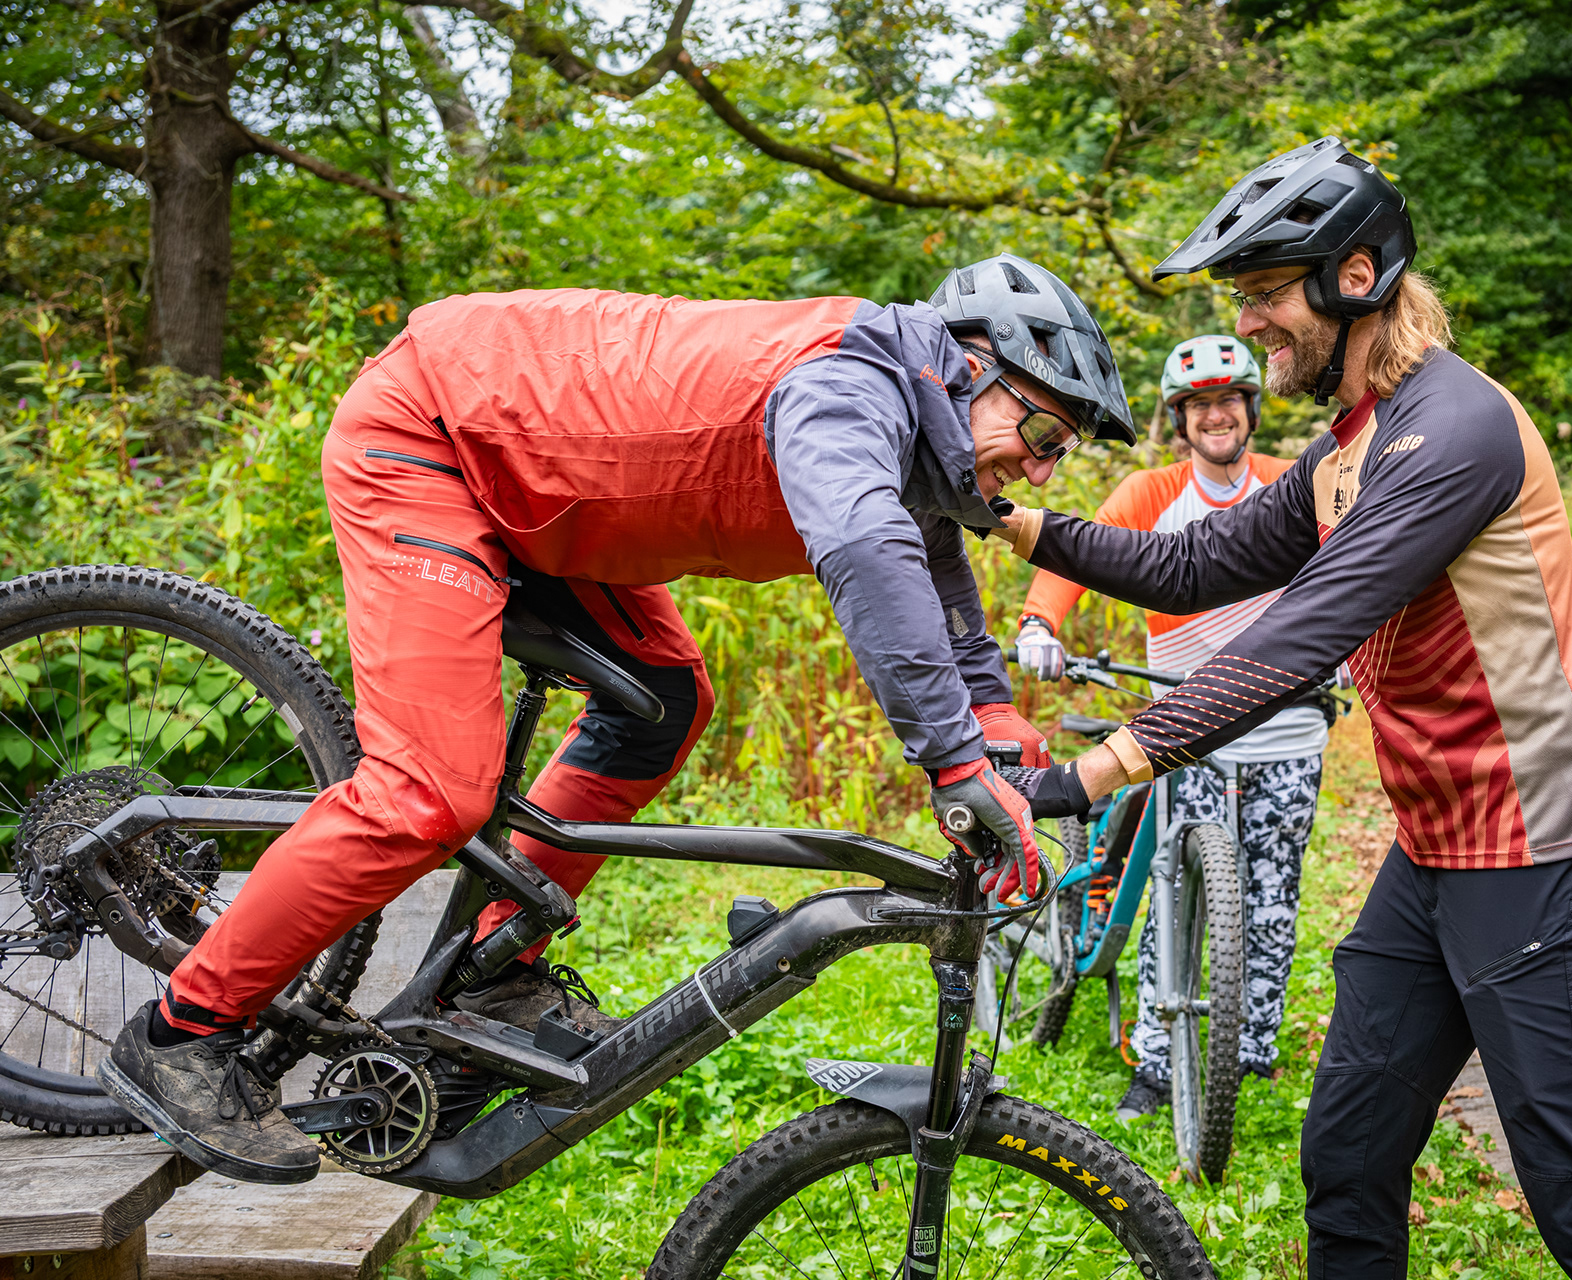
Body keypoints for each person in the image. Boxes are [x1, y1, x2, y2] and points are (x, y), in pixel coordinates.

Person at [95, 255, 1134, 1186]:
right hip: (436, 439)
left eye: (1064, 450)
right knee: (429, 793)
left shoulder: (913, 432)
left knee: (666, 703)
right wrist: (954, 762)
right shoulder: (849, 387)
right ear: (969, 365)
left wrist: (993, 719)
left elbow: (935, 578)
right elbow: (866, 549)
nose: (1043, 470)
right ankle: (184, 1033)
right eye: (1043, 433)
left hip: (545, 493)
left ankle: (491, 971)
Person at [992, 137, 1572, 1279]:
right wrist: (1007, 519)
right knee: (1349, 1156)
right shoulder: (1349, 445)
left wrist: (1089, 773)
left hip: (1541, 850)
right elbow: (1193, 565)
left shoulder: (1453, 430)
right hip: (1434, 854)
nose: (1252, 324)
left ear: (1355, 276)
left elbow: (1301, 635)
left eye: (1266, 295)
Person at [1014, 334, 1331, 1120]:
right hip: (1188, 731)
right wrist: (1039, 623)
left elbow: (1350, 564)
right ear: (1181, 420)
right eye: (1200, 406)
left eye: (1229, 401)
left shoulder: (1289, 486)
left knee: (1273, 898)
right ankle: (1158, 1061)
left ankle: (1250, 1051)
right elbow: (1077, 555)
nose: (1217, 417)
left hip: (1291, 730)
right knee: (1174, 889)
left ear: (1251, 409)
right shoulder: (1150, 493)